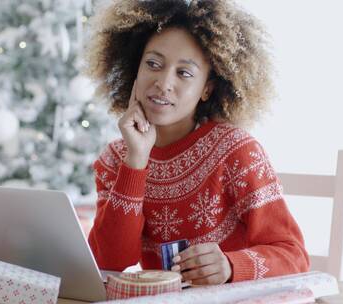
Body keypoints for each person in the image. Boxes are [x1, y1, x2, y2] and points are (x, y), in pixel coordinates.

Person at [83, 0, 309, 285]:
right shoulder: (117, 159)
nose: (163, 82)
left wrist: (230, 266)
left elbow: (294, 255)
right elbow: (109, 262)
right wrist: (136, 161)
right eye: (153, 64)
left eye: (184, 73)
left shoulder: (237, 152)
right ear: (134, 70)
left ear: (206, 89)